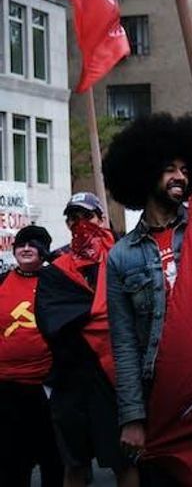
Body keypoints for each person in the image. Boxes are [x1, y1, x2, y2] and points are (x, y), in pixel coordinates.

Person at [102, 113, 192, 469]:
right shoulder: (121, 256)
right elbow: (124, 344)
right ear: (145, 171)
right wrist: (132, 418)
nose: (180, 176)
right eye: (169, 168)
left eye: (184, 169)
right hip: (159, 393)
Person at [34, 194, 136, 487]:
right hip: (72, 379)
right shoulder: (56, 268)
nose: (80, 224)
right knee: (74, 465)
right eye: (73, 218)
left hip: (115, 379)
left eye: (87, 216)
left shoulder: (122, 257)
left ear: (101, 219)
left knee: (124, 460)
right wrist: (101, 312)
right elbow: (51, 320)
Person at [0, 225, 63, 487]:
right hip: (6, 387)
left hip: (46, 389)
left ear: (44, 251)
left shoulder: (57, 283)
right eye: (22, 244)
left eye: (34, 244)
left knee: (52, 459)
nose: (26, 248)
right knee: (11, 461)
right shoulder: (1, 281)